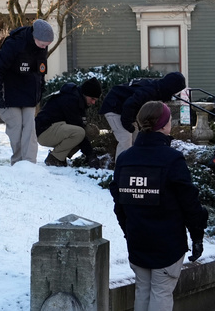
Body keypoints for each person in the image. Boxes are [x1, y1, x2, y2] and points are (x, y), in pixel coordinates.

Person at [111, 101, 208, 311]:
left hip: (138, 240)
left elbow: (119, 204)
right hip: (167, 244)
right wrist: (197, 236)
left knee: (143, 292)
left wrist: (129, 231)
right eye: (169, 121)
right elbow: (189, 203)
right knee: (161, 293)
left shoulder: (125, 159)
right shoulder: (172, 159)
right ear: (163, 125)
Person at [0, 18, 53, 165]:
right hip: (8, 93)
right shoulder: (14, 44)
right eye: (43, 44)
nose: (44, 48)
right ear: (35, 37)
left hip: (28, 94)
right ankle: (18, 163)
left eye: (46, 45)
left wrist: (40, 87)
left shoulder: (41, 47)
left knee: (29, 128)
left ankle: (29, 164)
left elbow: (40, 71)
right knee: (16, 127)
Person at [100, 72, 187, 160]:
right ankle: (122, 169)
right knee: (125, 138)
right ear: (171, 88)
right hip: (114, 106)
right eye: (175, 91)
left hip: (126, 111)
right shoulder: (149, 91)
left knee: (138, 140)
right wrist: (127, 124)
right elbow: (129, 104)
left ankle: (137, 165)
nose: (175, 94)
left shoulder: (157, 89)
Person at [35, 78, 102, 167]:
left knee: (91, 130)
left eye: (95, 100)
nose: (93, 102)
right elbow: (79, 128)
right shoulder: (70, 100)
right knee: (80, 132)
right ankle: (55, 158)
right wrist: (91, 156)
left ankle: (61, 156)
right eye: (92, 98)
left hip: (54, 128)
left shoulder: (78, 99)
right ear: (85, 94)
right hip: (44, 132)